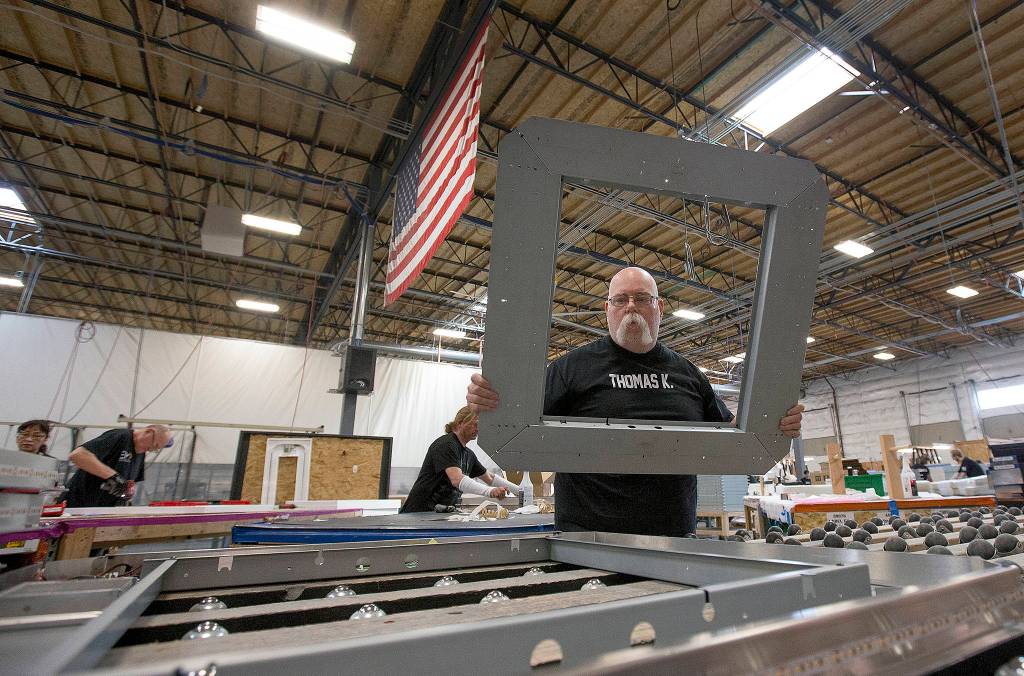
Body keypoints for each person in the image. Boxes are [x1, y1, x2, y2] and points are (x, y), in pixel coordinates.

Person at [467, 266, 803, 537]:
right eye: (620, 299)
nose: (630, 306)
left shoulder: (689, 375)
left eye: (642, 298)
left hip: (672, 535)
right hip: (586, 536)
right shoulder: (570, 369)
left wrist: (772, 424)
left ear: (659, 308)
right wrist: (488, 404)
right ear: (607, 309)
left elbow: (734, 436)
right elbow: (517, 426)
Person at [400, 406, 521, 513]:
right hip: (420, 513)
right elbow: (457, 479)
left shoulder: (468, 455)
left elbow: (490, 478)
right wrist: (490, 491)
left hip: (439, 514)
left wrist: (520, 492)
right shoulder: (446, 444)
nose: (478, 429)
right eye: (475, 424)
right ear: (460, 423)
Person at [64, 425, 172, 508]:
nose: (152, 450)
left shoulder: (140, 453)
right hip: (77, 505)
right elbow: (77, 455)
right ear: (149, 431)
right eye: (154, 445)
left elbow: (130, 482)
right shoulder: (121, 436)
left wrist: (126, 494)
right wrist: (113, 476)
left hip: (101, 511)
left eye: (156, 449)